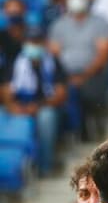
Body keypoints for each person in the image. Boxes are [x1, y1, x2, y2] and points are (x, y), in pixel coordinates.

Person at [48, 0, 108, 142]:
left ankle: (91, 130)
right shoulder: (59, 25)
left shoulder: (99, 23)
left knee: (88, 91)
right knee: (61, 92)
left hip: (93, 73)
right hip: (66, 75)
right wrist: (67, 77)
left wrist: (84, 76)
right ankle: (71, 135)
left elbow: (104, 54)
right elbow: (54, 55)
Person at [3, 24, 67, 176]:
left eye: (37, 41)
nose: (34, 45)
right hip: (20, 105)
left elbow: (60, 94)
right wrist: (13, 107)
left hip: (45, 105)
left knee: (47, 117)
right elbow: (5, 89)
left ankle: (45, 166)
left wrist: (37, 106)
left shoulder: (53, 63)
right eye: (31, 41)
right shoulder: (15, 62)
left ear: (44, 43)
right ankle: (11, 169)